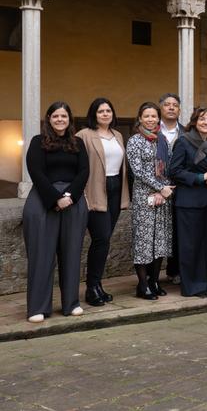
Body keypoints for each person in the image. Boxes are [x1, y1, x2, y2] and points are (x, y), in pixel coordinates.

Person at [23, 102, 90, 322]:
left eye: (64, 116)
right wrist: (55, 198)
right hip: (43, 200)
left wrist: (69, 196)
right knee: (41, 255)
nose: (60, 119)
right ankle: (37, 308)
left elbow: (84, 172)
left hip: (73, 201)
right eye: (56, 116)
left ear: (69, 119)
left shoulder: (78, 142)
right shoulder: (37, 142)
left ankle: (71, 304)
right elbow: (36, 172)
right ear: (49, 119)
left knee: (71, 253)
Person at [168, 107, 207, 298]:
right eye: (202, 119)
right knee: (191, 245)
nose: (206, 122)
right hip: (189, 200)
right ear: (194, 121)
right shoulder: (183, 142)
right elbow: (174, 171)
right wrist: (200, 177)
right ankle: (194, 286)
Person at [75, 98, 129, 307]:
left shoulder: (118, 135)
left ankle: (97, 285)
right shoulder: (84, 135)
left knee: (104, 240)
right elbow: (78, 166)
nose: (105, 114)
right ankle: (91, 288)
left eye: (108, 110)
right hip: (95, 189)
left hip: (116, 188)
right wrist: (82, 194)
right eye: (101, 111)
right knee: (101, 239)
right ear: (93, 114)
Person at [127, 101, 176, 300]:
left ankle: (155, 281)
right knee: (144, 242)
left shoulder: (162, 140)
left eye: (154, 116)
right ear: (140, 118)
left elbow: (170, 167)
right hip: (142, 197)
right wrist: (159, 188)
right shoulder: (135, 141)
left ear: (159, 118)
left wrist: (163, 191)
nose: (150, 119)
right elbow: (137, 171)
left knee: (160, 241)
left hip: (163, 197)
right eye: (146, 116)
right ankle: (143, 284)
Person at [158, 93, 185, 285]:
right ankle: (153, 275)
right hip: (156, 188)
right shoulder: (151, 130)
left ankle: (175, 269)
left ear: (179, 109)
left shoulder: (185, 132)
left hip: (180, 187)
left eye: (175, 105)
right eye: (167, 105)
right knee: (158, 230)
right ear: (160, 108)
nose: (171, 108)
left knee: (178, 229)